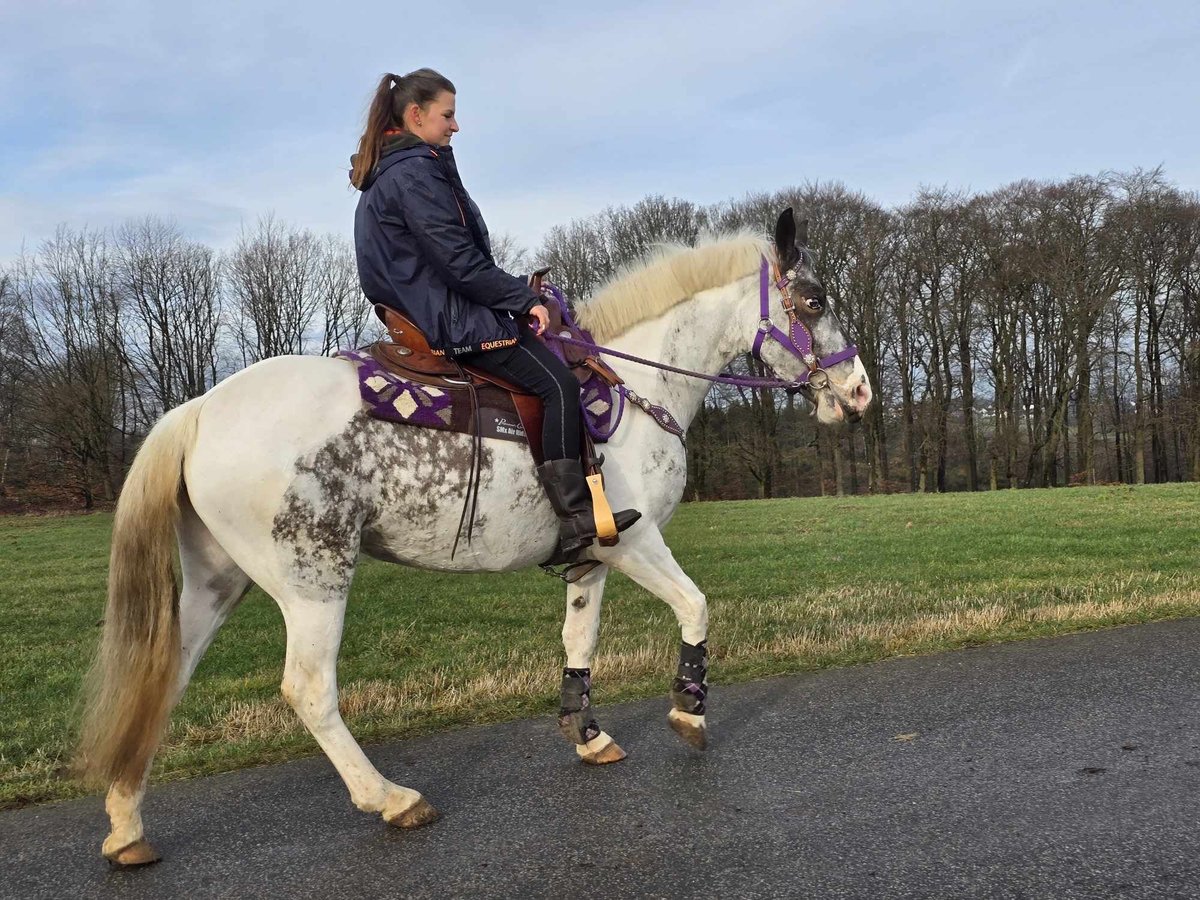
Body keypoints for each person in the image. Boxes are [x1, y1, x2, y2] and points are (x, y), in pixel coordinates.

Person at [350, 69, 639, 562]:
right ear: (416, 116)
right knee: (559, 385)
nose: (456, 126)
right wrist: (522, 301)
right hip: (451, 318)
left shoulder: (396, 169)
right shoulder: (414, 173)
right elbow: (459, 261)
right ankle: (575, 518)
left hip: (432, 308)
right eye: (448, 114)